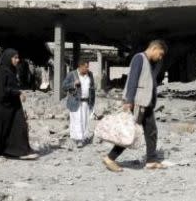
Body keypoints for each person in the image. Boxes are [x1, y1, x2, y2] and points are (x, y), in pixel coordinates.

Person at [103, 40, 167, 172]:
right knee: (129, 133)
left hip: (146, 103)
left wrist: (158, 63)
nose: (160, 57)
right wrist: (129, 100)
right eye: (160, 54)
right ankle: (109, 158)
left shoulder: (150, 63)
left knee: (151, 132)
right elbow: (132, 79)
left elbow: (152, 79)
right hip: (138, 103)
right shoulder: (139, 58)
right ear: (154, 48)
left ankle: (151, 161)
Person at [0, 48, 38, 161]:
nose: (17, 60)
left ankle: (18, 151)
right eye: (15, 57)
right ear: (8, 58)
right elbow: (2, 90)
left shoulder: (11, 71)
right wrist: (18, 92)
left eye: (18, 57)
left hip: (12, 104)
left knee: (18, 126)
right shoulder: (2, 72)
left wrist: (17, 92)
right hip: (0, 106)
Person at [63, 60, 96, 148]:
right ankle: (79, 139)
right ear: (80, 66)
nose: (87, 69)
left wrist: (92, 102)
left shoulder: (90, 75)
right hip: (75, 101)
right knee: (77, 120)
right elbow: (64, 86)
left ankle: (83, 137)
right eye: (86, 67)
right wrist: (73, 84)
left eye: (88, 67)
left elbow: (92, 89)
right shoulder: (72, 74)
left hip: (86, 102)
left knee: (85, 120)